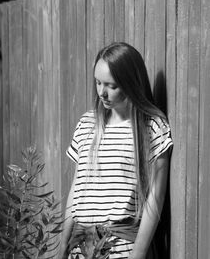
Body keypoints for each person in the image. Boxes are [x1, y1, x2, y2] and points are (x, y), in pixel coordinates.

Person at [59, 42, 173, 259]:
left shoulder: (152, 126)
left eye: (112, 85)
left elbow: (155, 199)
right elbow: (77, 188)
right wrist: (63, 243)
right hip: (81, 246)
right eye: (98, 82)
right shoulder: (87, 123)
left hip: (122, 248)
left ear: (131, 83)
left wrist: (137, 255)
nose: (102, 92)